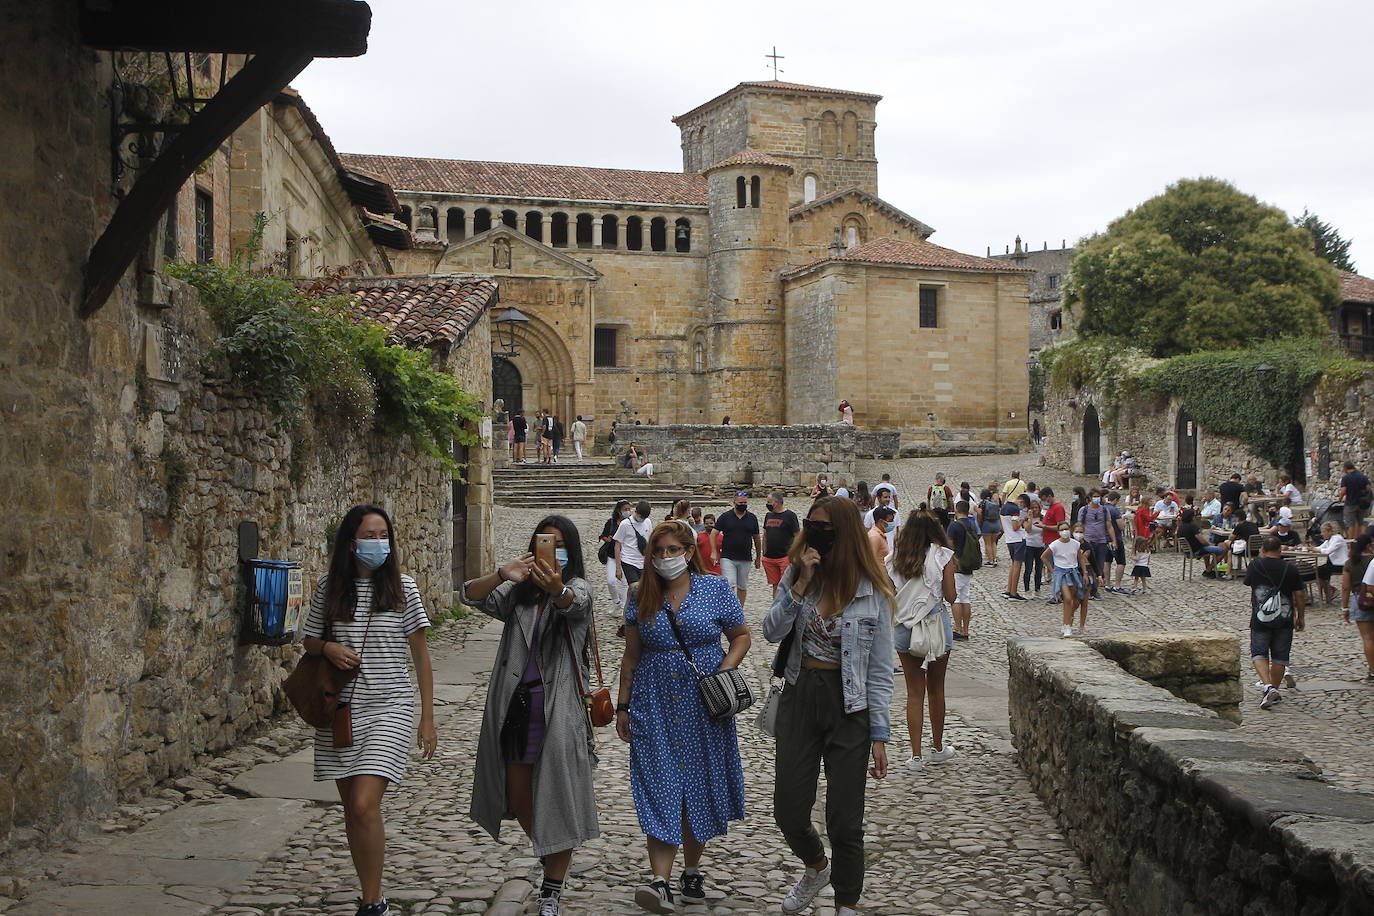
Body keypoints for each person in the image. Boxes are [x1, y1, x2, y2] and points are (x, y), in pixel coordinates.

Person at [302, 505, 437, 916]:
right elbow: (308, 639)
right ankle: (371, 896)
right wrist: (328, 647)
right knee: (352, 810)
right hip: (340, 711)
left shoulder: (403, 588)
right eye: (370, 535)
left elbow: (422, 657)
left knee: (363, 803)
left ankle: (373, 902)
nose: (378, 543)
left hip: (390, 706)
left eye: (384, 536)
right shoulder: (329, 587)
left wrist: (427, 719)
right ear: (351, 541)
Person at [763, 497, 895, 916]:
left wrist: (880, 735)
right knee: (788, 809)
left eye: (826, 528)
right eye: (811, 526)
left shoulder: (872, 591)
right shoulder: (800, 577)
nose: (817, 534)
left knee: (845, 820)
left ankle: (845, 904)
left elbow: (879, 670)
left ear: (845, 535)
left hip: (850, 705)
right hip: (801, 695)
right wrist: (800, 581)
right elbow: (770, 631)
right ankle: (817, 866)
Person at [463, 516, 599, 916]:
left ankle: (552, 890)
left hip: (558, 707)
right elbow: (470, 595)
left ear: (570, 552)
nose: (552, 551)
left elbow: (575, 606)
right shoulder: (518, 595)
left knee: (559, 794)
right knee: (519, 795)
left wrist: (557, 589)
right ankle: (552, 853)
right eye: (545, 543)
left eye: (559, 545)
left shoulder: (578, 588)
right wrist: (501, 573)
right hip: (518, 707)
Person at [616, 521, 750, 913]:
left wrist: (724, 670)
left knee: (698, 786)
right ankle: (660, 882)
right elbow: (632, 655)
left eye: (673, 550)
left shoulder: (714, 588)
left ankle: (691, 870)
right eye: (658, 552)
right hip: (653, 703)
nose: (665, 558)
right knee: (659, 785)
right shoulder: (640, 594)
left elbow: (741, 635)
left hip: (703, 703)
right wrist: (624, 706)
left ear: (690, 552)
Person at [889, 511, 957, 772]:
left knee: (914, 692)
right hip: (935, 625)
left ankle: (915, 755)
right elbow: (951, 596)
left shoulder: (896, 558)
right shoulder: (942, 556)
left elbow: (891, 593)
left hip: (906, 627)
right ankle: (937, 747)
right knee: (936, 690)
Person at [1244, 537, 1306, 710]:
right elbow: (1300, 595)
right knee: (1280, 657)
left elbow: (1248, 582)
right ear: (1280, 550)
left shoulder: (1255, 565)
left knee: (1259, 653)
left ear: (1263, 549)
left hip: (1260, 618)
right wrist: (1300, 616)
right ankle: (1274, 691)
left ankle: (1268, 687)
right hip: (1284, 620)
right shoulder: (1290, 568)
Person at [1042, 520, 1089, 637]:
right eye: (1062, 530)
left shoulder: (1075, 544)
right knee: (1067, 598)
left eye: (1066, 529)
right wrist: (1052, 570)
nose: (1065, 532)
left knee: (1072, 599)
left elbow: (1081, 558)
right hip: (1061, 573)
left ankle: (1066, 623)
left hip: (1073, 572)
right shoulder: (1055, 545)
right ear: (1058, 532)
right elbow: (1044, 557)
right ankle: (1067, 626)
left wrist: (1085, 573)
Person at [714, 492, 762, 605]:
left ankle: (739, 610)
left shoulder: (752, 518)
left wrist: (759, 557)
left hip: (745, 557)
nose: (743, 505)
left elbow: (756, 538)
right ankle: (730, 608)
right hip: (727, 557)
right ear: (734, 502)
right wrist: (713, 551)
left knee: (742, 585)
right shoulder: (725, 517)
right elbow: (714, 533)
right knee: (729, 583)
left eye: (745, 503)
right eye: (740, 503)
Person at [944, 501, 977, 640]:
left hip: (957, 565)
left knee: (956, 598)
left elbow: (949, 544)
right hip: (968, 564)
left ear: (957, 510)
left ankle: (957, 628)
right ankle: (965, 629)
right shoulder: (972, 524)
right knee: (965, 597)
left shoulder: (955, 526)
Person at [1077, 489, 1117, 596]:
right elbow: (1079, 525)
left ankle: (1094, 588)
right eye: (1094, 496)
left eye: (1098, 496)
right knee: (1088, 565)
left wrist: (1114, 540)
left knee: (1099, 566)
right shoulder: (1084, 510)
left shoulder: (1104, 510)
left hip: (1101, 541)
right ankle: (1091, 588)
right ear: (1090, 497)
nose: (1097, 498)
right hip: (1088, 541)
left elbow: (1109, 526)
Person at [762, 491, 801, 599]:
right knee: (775, 585)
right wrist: (763, 552)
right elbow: (765, 534)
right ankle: (775, 607)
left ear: (777, 502)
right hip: (769, 557)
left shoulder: (790, 516)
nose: (767, 504)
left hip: (784, 556)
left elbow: (797, 535)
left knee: (785, 585)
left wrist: (794, 554)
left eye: (769, 502)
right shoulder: (768, 515)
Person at [1345, 534, 1374, 679]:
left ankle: (1373, 669)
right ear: (1369, 545)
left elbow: (1345, 586)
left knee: (1368, 638)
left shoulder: (1351, 562)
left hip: (1360, 600)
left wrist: (1344, 607)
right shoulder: (1372, 560)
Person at [600, 500, 633, 612]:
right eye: (625, 509)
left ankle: (624, 607)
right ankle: (617, 602)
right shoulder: (611, 522)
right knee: (611, 581)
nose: (627, 511)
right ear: (619, 510)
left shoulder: (630, 522)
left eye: (629, 509)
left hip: (625, 556)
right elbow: (603, 535)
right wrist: (607, 539)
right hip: (612, 556)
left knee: (625, 583)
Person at [615, 501, 655, 590]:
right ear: (636, 512)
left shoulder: (647, 522)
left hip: (643, 562)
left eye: (645, 518)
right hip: (629, 561)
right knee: (635, 588)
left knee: (644, 590)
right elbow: (617, 545)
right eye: (641, 517)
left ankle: (630, 604)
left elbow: (650, 541)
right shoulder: (625, 524)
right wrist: (618, 568)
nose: (642, 519)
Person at [1037, 488, 1066, 604]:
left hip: (1054, 543)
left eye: (1044, 499)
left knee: (1055, 569)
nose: (1043, 502)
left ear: (1049, 496)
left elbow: (1060, 526)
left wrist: (1044, 526)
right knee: (1052, 569)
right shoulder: (1050, 508)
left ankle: (1057, 594)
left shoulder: (1058, 507)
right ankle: (1057, 593)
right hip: (1048, 542)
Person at [1178, 508, 1225, 577]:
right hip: (1197, 550)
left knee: (1208, 550)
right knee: (1222, 550)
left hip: (1188, 551)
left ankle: (1208, 570)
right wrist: (1210, 545)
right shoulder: (1193, 527)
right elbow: (1203, 541)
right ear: (1191, 517)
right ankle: (1208, 569)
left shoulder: (1181, 527)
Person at [1000, 494, 1028, 600]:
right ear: (1021, 501)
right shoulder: (1015, 509)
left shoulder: (1004, 507)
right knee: (1017, 566)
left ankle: (1009, 589)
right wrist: (1023, 520)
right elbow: (1015, 527)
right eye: (1023, 504)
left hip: (1009, 539)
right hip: (1018, 539)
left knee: (1013, 565)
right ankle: (1014, 592)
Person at [1314, 522, 1348, 605]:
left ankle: (1330, 590)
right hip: (1333, 563)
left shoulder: (1337, 538)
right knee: (1317, 571)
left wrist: (1316, 550)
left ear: (1330, 531)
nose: (1322, 534)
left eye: (1323, 532)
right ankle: (1329, 591)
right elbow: (1320, 548)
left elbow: (1328, 551)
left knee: (1318, 571)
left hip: (1341, 564)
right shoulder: (1329, 540)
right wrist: (1309, 548)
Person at [1104, 491, 1129, 593]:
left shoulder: (1102, 508)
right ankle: (1117, 585)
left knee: (1107, 561)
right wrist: (1124, 520)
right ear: (1116, 500)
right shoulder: (1114, 510)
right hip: (1115, 538)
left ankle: (1107, 584)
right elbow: (1121, 527)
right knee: (1121, 562)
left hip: (1104, 539)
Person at [1339, 461, 1371, 539]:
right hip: (1362, 504)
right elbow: (1368, 488)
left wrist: (1340, 499)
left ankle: (1351, 543)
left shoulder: (1346, 478)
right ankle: (1363, 543)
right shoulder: (1363, 476)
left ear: (1345, 468)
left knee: (1350, 524)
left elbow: (1343, 490)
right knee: (1362, 523)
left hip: (1350, 503)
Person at [979, 488, 1001, 566]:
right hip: (996, 523)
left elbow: (980, 514)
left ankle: (990, 561)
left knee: (987, 543)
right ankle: (995, 559)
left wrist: (980, 523)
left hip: (987, 524)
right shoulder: (994, 502)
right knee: (993, 542)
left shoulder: (983, 503)